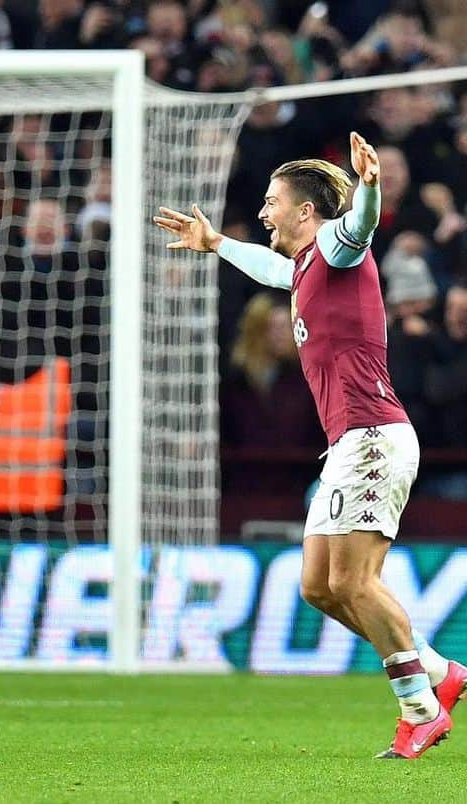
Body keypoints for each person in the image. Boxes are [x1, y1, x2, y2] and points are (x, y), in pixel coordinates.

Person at [154, 131, 466, 760]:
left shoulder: (337, 246)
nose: (263, 211)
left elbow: (360, 227)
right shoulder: (304, 266)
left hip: (373, 437)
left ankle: (419, 707)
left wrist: (371, 186)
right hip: (348, 443)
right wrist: (215, 243)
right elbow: (273, 268)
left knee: (354, 581)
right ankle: (438, 671)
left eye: (272, 202)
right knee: (318, 587)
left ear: (305, 211)